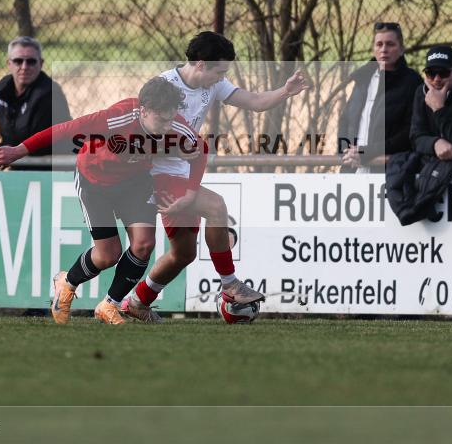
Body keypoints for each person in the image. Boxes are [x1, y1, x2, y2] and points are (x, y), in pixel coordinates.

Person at [121, 31, 311, 323]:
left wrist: (285, 91)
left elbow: (256, 102)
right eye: (219, 71)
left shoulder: (213, 83)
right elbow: (140, 129)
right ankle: (230, 286)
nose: (222, 78)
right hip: (155, 174)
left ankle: (136, 302)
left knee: (183, 254)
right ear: (200, 64)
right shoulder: (164, 87)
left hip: (182, 173)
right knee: (216, 207)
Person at [0, 76, 207, 325]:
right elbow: (63, 130)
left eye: (171, 118)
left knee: (144, 245)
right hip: (95, 182)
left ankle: (109, 305)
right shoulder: (117, 117)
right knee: (108, 255)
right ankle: (66, 283)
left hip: (134, 184)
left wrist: (190, 193)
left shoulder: (174, 124)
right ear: (143, 111)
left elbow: (201, 150)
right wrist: (19, 150)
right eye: (162, 119)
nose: (168, 126)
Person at [338, 22, 422, 172]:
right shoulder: (362, 79)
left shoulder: (412, 82)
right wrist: (345, 151)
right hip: (352, 167)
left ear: (401, 49)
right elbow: (345, 119)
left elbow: (409, 131)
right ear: (373, 49)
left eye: (390, 44)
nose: (384, 49)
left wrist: (369, 152)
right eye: (379, 44)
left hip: (389, 170)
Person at [0, 36, 72, 165]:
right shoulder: (2, 89)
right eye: (18, 61)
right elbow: (7, 132)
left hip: (51, 165)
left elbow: (38, 140)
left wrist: (10, 150)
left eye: (31, 61)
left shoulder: (50, 92)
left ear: (40, 64)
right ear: (9, 64)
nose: (24, 67)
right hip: (18, 159)